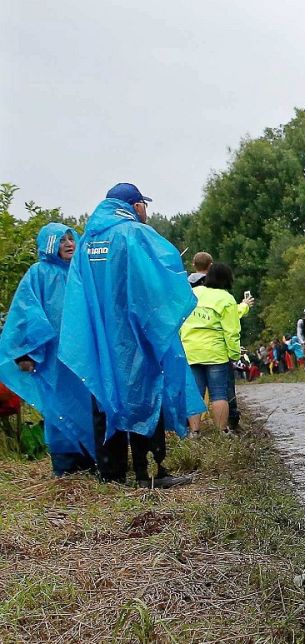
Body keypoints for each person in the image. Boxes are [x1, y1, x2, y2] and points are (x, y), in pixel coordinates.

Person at [57, 184, 203, 488]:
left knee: (104, 397)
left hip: (100, 339)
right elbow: (165, 272)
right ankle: (149, 471)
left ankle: (111, 474)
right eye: (144, 205)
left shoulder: (86, 243)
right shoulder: (134, 234)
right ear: (135, 206)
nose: (146, 212)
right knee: (144, 396)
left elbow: (77, 295)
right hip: (135, 337)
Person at [0, 223, 95, 476]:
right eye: (62, 240)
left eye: (71, 239)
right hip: (52, 358)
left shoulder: (82, 273)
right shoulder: (38, 274)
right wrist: (25, 352)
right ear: (49, 244)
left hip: (82, 355)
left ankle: (90, 460)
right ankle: (65, 465)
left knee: (86, 403)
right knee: (57, 405)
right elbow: (24, 313)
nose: (69, 244)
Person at [180, 262, 246, 433]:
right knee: (218, 395)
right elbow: (231, 331)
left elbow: (180, 323)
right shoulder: (226, 299)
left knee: (195, 394)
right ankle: (222, 432)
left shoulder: (191, 293)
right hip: (215, 353)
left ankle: (194, 432)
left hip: (191, 351)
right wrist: (234, 354)